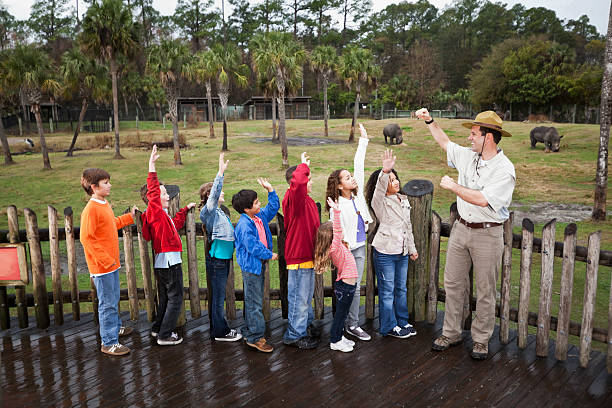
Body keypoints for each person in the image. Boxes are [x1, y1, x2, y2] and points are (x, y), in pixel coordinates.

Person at [416, 108, 515, 360]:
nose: (469, 138)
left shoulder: (504, 169)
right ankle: (451, 333)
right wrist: (429, 121)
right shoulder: (469, 156)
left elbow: (483, 200)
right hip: (461, 229)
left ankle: (481, 340)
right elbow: (445, 142)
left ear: (488, 137)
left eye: (474, 134)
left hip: (488, 234)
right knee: (452, 284)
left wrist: (453, 186)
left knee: (485, 289)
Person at [140, 145, 196, 346]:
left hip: (163, 262)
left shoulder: (161, 216)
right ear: (153, 198)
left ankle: (158, 329)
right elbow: (153, 192)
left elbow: (176, 224)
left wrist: (185, 210)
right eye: (164, 194)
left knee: (165, 298)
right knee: (176, 298)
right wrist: (151, 165)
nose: (166, 196)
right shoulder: (154, 211)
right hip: (170, 262)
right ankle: (165, 335)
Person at [80, 168, 137, 356]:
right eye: (105, 183)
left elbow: (112, 224)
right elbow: (86, 239)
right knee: (107, 303)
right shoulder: (91, 210)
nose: (110, 185)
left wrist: (130, 217)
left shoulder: (104, 204)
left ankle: (115, 327)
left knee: (113, 299)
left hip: (111, 264)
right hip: (102, 267)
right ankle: (109, 342)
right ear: (94, 187)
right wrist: (105, 261)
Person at [325, 123, 374, 341]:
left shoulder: (357, 197)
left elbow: (359, 165)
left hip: (360, 249)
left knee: (355, 289)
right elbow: (335, 230)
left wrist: (363, 140)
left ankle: (352, 324)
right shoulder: (336, 204)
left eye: (350, 176)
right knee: (346, 289)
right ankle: (344, 324)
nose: (352, 178)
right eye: (347, 178)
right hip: (345, 253)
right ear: (338, 185)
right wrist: (343, 247)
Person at [365, 149, 418, 339]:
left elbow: (408, 227)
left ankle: (402, 321)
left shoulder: (403, 201)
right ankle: (389, 326)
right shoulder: (380, 203)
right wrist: (385, 173)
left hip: (402, 253)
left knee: (401, 289)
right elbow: (379, 190)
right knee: (387, 292)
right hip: (385, 253)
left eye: (395, 179)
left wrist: (411, 249)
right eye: (390, 180)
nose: (395, 182)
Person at [198, 153, 242, 342]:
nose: (222, 193)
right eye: (218, 191)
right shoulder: (208, 212)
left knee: (219, 296)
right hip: (217, 260)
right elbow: (215, 194)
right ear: (210, 195)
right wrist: (220, 173)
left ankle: (218, 328)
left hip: (223, 259)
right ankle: (220, 332)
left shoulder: (219, 213)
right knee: (217, 298)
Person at [233, 178, 280, 353]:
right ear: (246, 209)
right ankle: (255, 338)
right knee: (254, 303)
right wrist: (270, 254)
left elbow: (273, 208)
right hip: (252, 267)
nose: (259, 204)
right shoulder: (245, 226)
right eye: (256, 202)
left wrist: (271, 190)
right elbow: (252, 246)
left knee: (253, 299)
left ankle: (249, 331)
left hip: (258, 265)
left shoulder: (258, 216)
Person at [281, 152, 321, 349]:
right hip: (298, 258)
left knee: (305, 297)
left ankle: (304, 325)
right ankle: (294, 335)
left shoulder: (309, 202)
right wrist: (303, 166)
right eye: (308, 179)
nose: (309, 183)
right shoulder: (293, 200)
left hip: (308, 257)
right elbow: (298, 183)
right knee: (298, 298)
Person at [314, 198, 359, 352]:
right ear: (333, 236)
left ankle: (339, 336)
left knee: (343, 313)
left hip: (345, 284)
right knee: (341, 314)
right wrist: (337, 211)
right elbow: (338, 229)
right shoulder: (335, 247)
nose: (340, 231)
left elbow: (337, 230)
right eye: (336, 232)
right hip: (346, 286)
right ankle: (335, 341)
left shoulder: (337, 248)